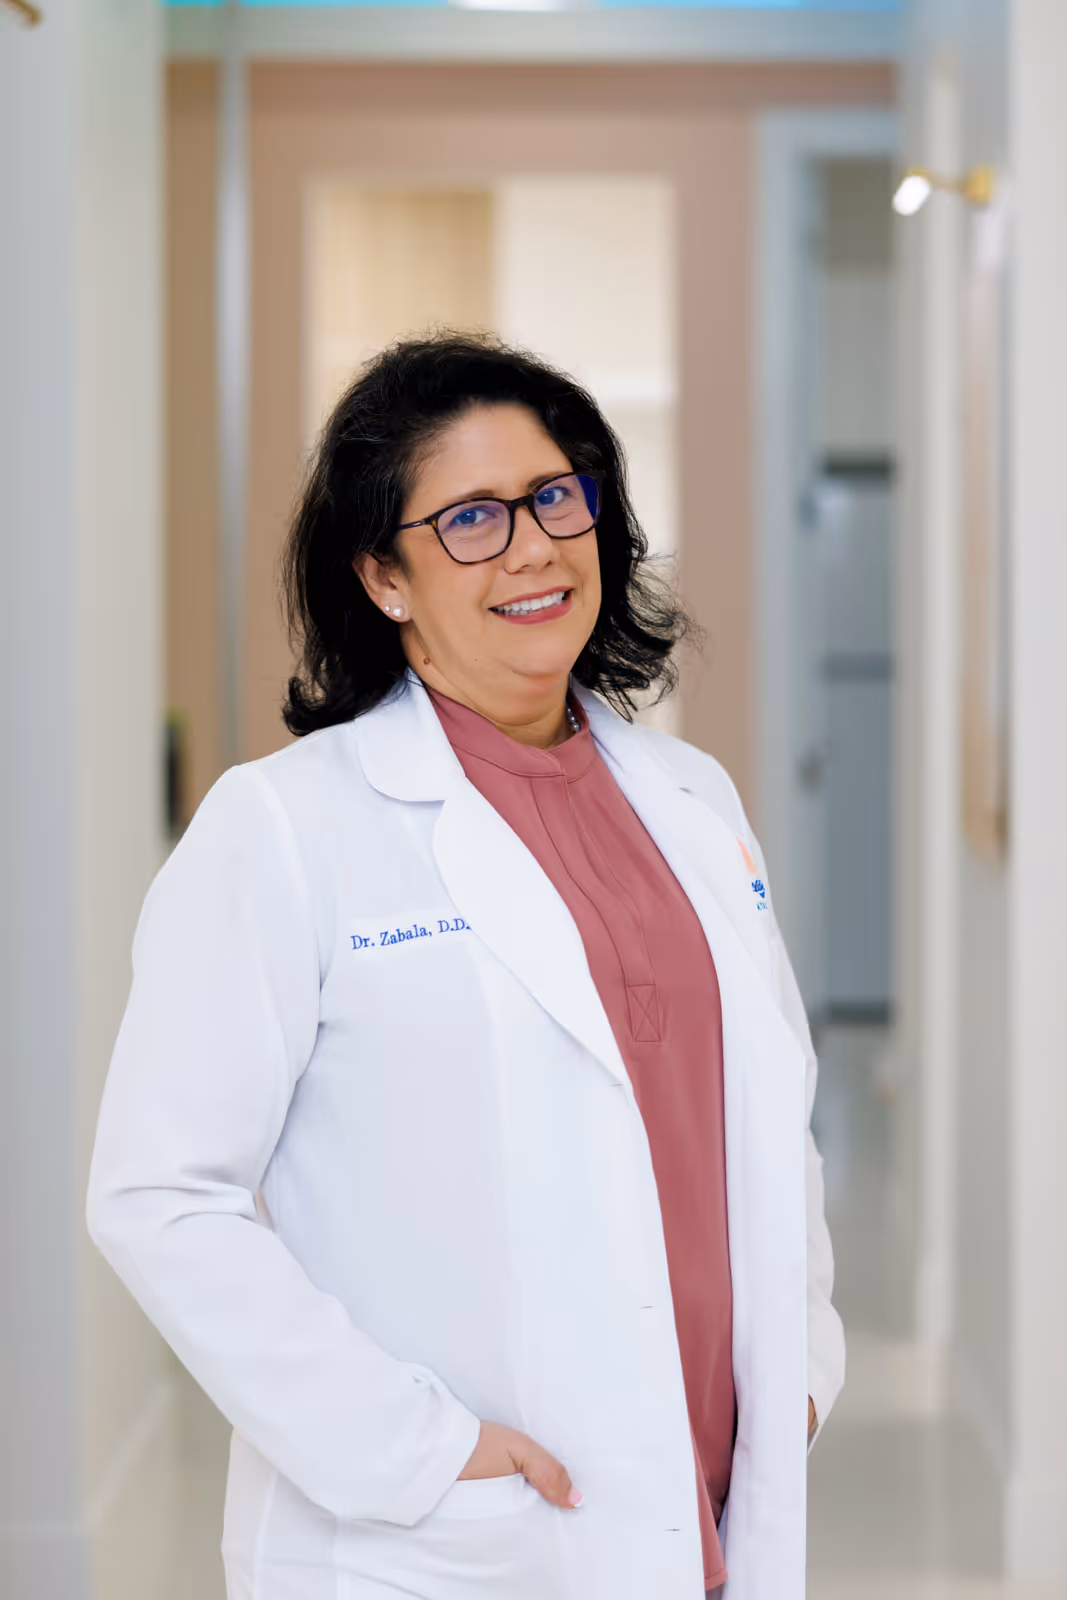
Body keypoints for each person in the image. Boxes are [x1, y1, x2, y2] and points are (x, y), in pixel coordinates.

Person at [87, 333, 844, 1600]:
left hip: (699, 1494)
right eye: (471, 520)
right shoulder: (282, 827)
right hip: (450, 1532)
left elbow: (766, 1117)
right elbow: (160, 1197)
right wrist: (417, 1455)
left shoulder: (690, 797)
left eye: (556, 496)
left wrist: (800, 1369)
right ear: (382, 575)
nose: (535, 546)